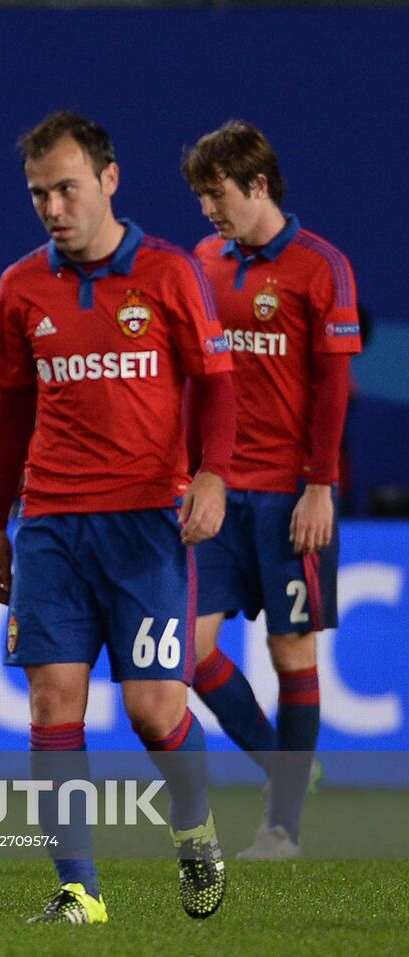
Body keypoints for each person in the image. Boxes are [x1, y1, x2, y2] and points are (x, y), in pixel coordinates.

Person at [0, 111, 236, 924]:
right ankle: (79, 890)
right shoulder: (23, 286)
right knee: (54, 701)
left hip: (146, 523)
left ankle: (195, 829)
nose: (54, 207)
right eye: (38, 194)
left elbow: (218, 382)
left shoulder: (168, 273)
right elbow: (11, 408)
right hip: (52, 522)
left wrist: (213, 474)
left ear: (109, 180)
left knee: (153, 708)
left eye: (67, 188)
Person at [182, 120, 362, 860]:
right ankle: (282, 767)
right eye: (200, 198)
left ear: (258, 185)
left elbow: (333, 387)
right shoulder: (203, 261)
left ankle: (282, 825)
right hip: (220, 490)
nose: (208, 212)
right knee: (186, 651)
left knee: (291, 652)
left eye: (216, 194)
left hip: (292, 494)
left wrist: (320, 485)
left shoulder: (323, 266)